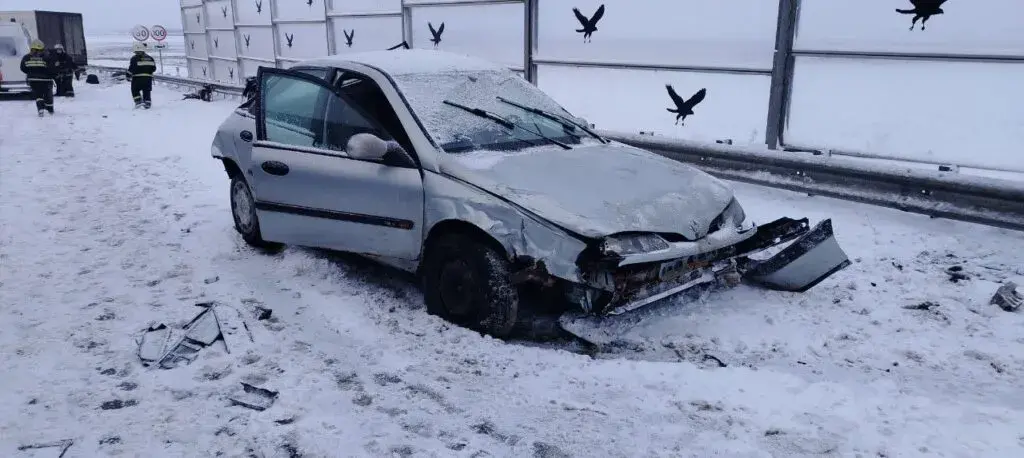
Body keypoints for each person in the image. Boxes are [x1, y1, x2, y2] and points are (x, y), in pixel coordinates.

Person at [20, 39, 55, 116]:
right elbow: (51, 68)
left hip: (33, 80)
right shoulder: (46, 57)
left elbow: (23, 68)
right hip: (46, 80)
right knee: (47, 95)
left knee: (38, 95)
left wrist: (30, 73)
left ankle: (40, 109)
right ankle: (50, 109)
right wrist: (52, 75)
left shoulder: (26, 57)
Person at [127, 42, 156, 109]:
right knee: (147, 90)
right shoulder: (150, 58)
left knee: (135, 90)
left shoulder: (134, 58)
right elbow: (154, 68)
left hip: (137, 78)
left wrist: (128, 75)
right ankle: (147, 103)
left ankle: (138, 102)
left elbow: (132, 68)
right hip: (148, 79)